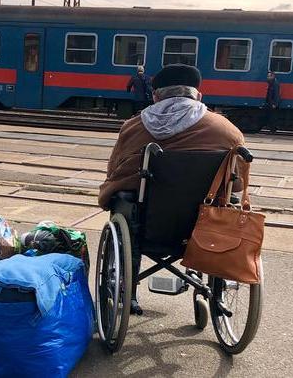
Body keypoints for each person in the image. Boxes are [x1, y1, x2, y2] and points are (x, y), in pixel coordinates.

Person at [99, 64, 246, 316]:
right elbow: (238, 183)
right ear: (198, 95)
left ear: (156, 96)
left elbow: (114, 173)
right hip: (206, 227)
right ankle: (214, 291)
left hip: (147, 227)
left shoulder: (133, 127)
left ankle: (127, 290)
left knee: (124, 204)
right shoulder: (226, 131)